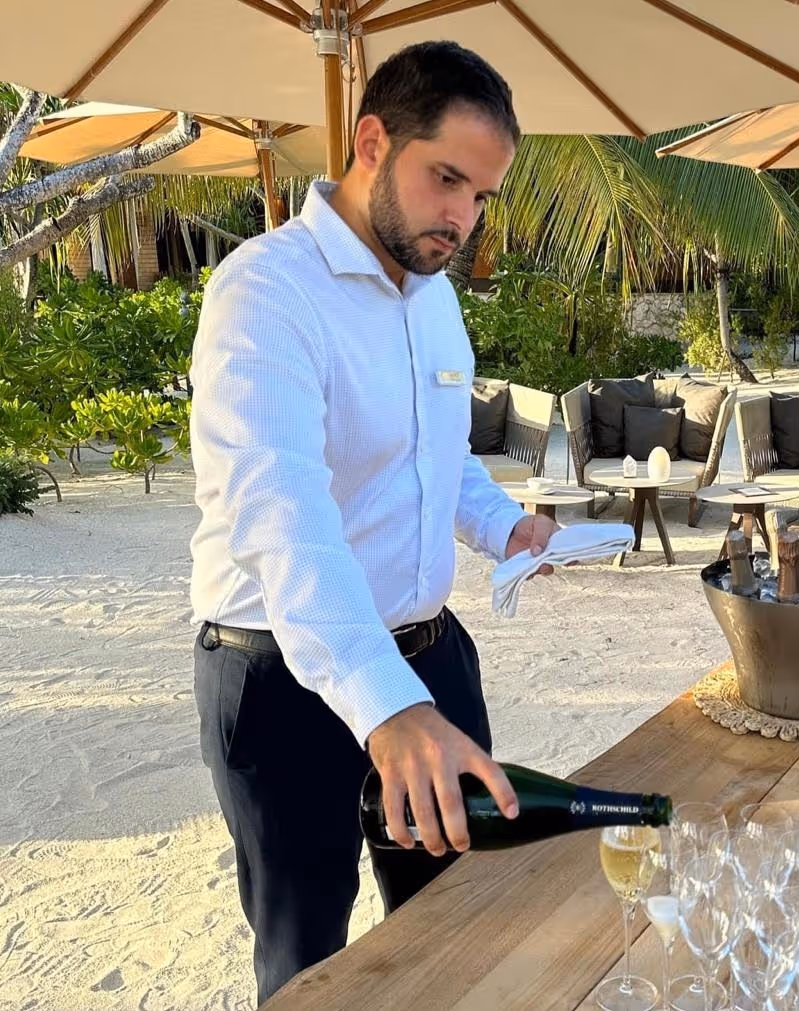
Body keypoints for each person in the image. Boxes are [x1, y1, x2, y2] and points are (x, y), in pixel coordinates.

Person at [188, 42, 556, 1004]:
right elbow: (282, 514)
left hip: (430, 659)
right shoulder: (265, 293)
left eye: (481, 196)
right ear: (371, 139)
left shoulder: (434, 301)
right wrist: (384, 706)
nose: (461, 219)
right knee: (309, 958)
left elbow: (438, 458)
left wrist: (503, 525)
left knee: (458, 921)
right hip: (280, 676)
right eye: (447, 180)